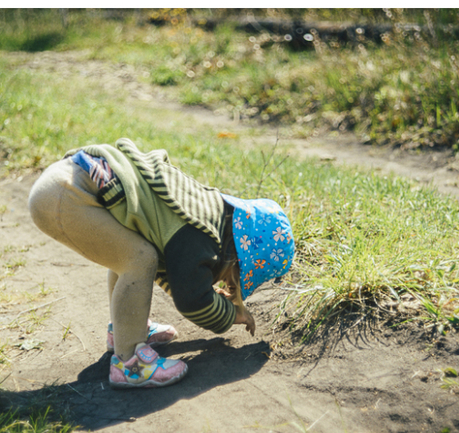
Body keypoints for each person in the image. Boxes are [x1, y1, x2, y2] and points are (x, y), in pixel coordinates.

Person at [28, 138, 295, 389]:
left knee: (129, 253)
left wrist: (207, 286)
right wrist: (231, 314)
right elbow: (192, 299)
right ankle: (130, 363)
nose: (227, 282)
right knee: (139, 259)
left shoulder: (204, 212)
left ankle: (125, 330)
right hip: (68, 195)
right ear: (237, 254)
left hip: (65, 182)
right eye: (235, 277)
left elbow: (176, 271)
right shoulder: (199, 235)